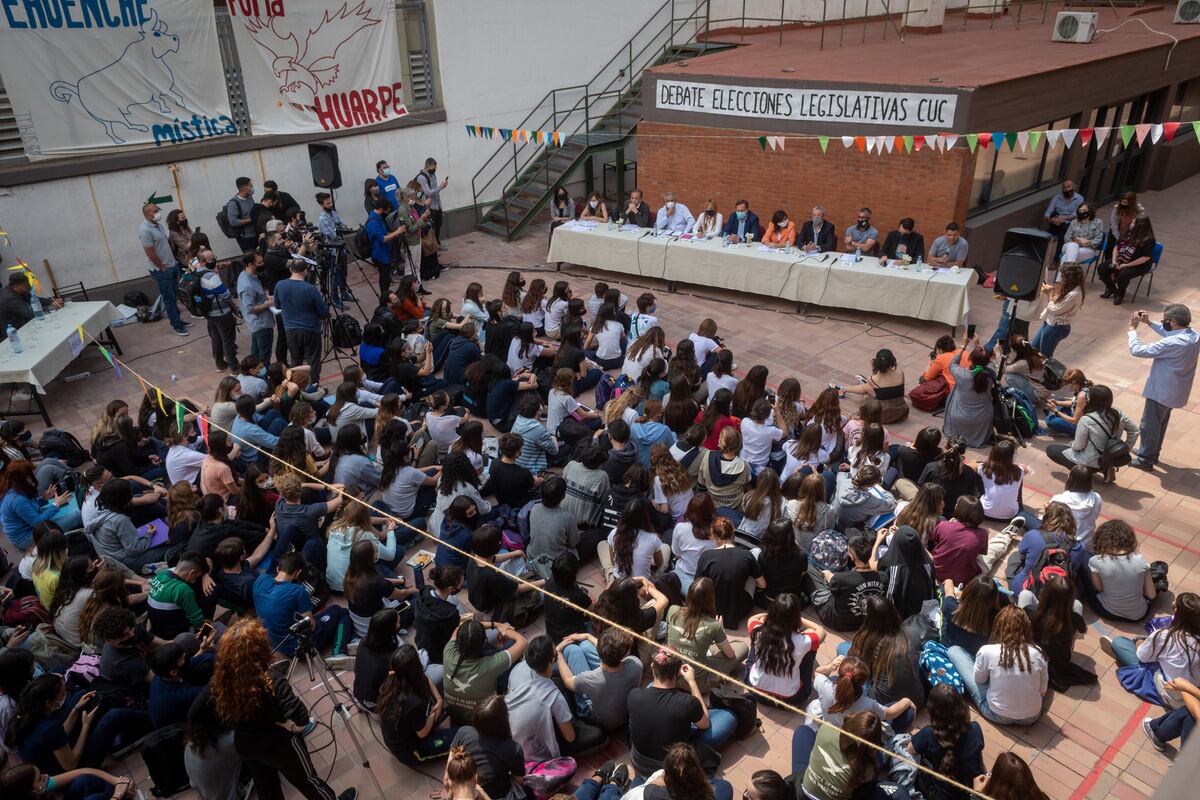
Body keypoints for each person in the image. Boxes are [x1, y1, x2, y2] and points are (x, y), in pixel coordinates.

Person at [210, 619, 357, 800]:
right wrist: (290, 726)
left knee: (268, 791)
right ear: (259, 649)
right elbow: (301, 716)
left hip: (246, 744)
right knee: (309, 782)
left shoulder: (222, 680)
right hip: (279, 744)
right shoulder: (270, 680)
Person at [626, 650, 736, 776]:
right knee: (728, 717)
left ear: (652, 667)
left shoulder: (634, 694)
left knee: (651, 685)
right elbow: (705, 724)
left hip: (638, 760)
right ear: (679, 672)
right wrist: (692, 682)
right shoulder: (688, 703)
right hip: (669, 767)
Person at [507, 636, 605, 759]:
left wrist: (556, 650)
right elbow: (570, 737)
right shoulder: (552, 695)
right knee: (598, 733)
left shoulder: (517, 670)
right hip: (539, 747)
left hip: (516, 736)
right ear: (552, 660)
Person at [948, 605, 1049, 725]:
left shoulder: (987, 650)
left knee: (954, 650)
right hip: (1032, 717)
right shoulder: (1038, 652)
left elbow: (979, 680)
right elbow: (1043, 691)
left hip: (996, 714)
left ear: (998, 626)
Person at [1126, 305, 1198, 469]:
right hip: (1175, 390)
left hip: (1161, 391)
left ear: (1173, 322)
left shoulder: (1173, 342)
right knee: (1160, 423)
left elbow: (1137, 350)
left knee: (1149, 424)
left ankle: (1145, 459)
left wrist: (1132, 329)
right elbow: (1170, 334)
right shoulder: (1192, 335)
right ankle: (1151, 452)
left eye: (1164, 320)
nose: (1162, 322)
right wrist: (1149, 323)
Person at [376, 644, 457, 764]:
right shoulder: (413, 703)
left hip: (399, 737)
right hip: (412, 751)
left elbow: (425, 678)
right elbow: (422, 733)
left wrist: (439, 699)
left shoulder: (392, 681)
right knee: (461, 736)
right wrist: (434, 714)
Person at [906, 684, 986, 800]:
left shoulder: (928, 733)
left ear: (932, 711)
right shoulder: (975, 728)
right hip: (972, 789)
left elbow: (910, 749)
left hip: (941, 795)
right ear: (961, 707)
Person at [666, 577, 749, 687]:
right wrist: (721, 631)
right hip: (696, 682)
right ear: (710, 599)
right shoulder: (713, 625)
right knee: (742, 647)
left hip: (669, 675)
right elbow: (730, 655)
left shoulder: (673, 610)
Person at [1045, 384, 1138, 481]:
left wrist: (1071, 445)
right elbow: (1135, 431)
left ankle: (1081, 473)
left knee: (1051, 450)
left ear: (1092, 401)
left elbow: (1078, 446)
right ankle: (1106, 468)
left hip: (1091, 462)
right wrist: (1122, 451)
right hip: (1109, 458)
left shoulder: (1087, 419)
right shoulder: (1118, 413)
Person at [442, 619, 528, 725]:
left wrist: (495, 625)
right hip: (480, 719)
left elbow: (459, 629)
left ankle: (497, 649)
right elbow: (522, 641)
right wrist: (500, 626)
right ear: (483, 642)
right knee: (511, 640)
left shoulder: (448, 651)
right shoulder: (491, 665)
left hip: (454, 713)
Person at [556, 628, 642, 732]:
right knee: (585, 645)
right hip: (624, 713)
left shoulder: (588, 679)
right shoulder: (636, 664)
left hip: (602, 721)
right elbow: (613, 652)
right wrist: (588, 636)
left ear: (599, 652)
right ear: (625, 653)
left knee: (572, 650)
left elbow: (568, 681)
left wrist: (558, 652)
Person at [746, 593, 824, 705]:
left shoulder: (759, 630)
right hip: (791, 699)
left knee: (756, 635)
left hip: (755, 689)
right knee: (811, 636)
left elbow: (754, 618)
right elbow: (820, 631)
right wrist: (798, 618)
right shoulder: (802, 641)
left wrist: (771, 616)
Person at [794, 711, 888, 800]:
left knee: (802, 731)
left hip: (804, 794)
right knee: (879, 759)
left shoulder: (826, 730)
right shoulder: (867, 768)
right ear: (873, 745)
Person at [450, 697, 527, 800]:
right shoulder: (512, 749)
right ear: (503, 721)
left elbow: (448, 775)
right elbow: (519, 781)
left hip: (464, 792)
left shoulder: (464, 732)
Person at [696, 516, 764, 629]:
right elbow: (762, 584)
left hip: (712, 610)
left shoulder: (706, 556)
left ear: (713, 535)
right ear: (733, 533)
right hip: (739, 610)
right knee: (752, 574)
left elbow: (697, 585)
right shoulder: (747, 555)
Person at [1087, 519, 1158, 622]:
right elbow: (1152, 594)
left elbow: (1100, 589)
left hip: (1108, 612)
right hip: (1139, 615)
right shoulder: (1140, 560)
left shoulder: (1096, 561)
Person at [0, 461, 79, 552]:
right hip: (26, 539)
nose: (32, 476)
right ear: (22, 478)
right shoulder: (17, 500)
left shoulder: (14, 489)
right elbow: (37, 522)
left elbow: (29, 507)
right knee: (76, 515)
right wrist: (56, 504)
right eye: (29, 474)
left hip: (31, 529)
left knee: (69, 509)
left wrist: (43, 499)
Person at [810, 534, 884, 631]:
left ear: (852, 558)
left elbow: (832, 591)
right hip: (863, 622)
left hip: (836, 621)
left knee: (810, 570)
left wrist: (829, 576)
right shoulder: (883, 577)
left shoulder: (841, 579)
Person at [138, 202, 189, 336]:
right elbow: (149, 252)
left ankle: (177, 320)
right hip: (161, 270)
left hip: (172, 265)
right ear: (147, 213)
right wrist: (162, 267)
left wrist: (173, 262)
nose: (157, 212)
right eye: (154, 211)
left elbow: (165, 246)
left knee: (175, 295)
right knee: (169, 298)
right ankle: (176, 325)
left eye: (158, 209)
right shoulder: (145, 230)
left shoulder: (159, 226)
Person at [273, 260, 328, 385]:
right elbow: (323, 312)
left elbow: (277, 305)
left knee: (295, 360)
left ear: (291, 270)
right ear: (305, 271)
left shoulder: (280, 285)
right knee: (313, 361)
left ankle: (296, 386)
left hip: (290, 330)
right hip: (310, 329)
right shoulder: (310, 289)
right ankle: (314, 386)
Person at [944, 339, 994, 448]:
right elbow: (989, 363)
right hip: (982, 421)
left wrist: (964, 344)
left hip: (958, 418)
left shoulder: (961, 374)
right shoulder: (991, 373)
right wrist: (978, 345)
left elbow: (953, 363)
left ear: (970, 360)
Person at [927, 496, 987, 585]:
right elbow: (980, 553)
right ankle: (1006, 536)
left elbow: (933, 539)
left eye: (956, 505)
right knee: (984, 560)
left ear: (960, 510)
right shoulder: (983, 533)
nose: (955, 507)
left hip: (937, 572)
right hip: (964, 579)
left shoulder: (944, 525)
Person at [1100, 215, 1157, 305]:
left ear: (1141, 225)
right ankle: (1112, 289)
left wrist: (1126, 265)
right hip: (1120, 261)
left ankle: (1120, 294)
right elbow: (1116, 246)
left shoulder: (1149, 240)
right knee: (1102, 268)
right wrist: (1114, 261)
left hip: (1138, 265)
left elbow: (1145, 258)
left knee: (1123, 275)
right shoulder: (1127, 233)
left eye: (1134, 222)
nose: (1131, 224)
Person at [1031, 262, 1084, 358]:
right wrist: (1052, 292)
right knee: (1033, 349)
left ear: (1071, 278)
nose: (1061, 278)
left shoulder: (1074, 294)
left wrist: (1049, 294)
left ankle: (1048, 373)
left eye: (1064, 276)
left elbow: (1055, 310)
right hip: (1049, 323)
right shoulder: (1068, 287)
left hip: (1057, 328)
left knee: (1045, 357)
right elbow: (1058, 301)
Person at [842, 348, 907, 424]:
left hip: (883, 416)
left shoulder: (872, 379)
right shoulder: (900, 373)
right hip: (901, 412)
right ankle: (843, 388)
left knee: (867, 391)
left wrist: (874, 368)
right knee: (870, 388)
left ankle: (842, 388)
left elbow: (874, 382)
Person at [236, 252, 275, 367]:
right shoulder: (247, 284)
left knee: (256, 353)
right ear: (250, 264)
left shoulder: (245, 275)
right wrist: (268, 304)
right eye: (259, 263)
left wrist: (265, 298)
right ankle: (263, 379)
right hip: (261, 324)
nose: (262, 264)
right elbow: (250, 308)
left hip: (256, 323)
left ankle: (253, 374)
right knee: (264, 356)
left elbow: (256, 298)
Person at [1050, 464, 1102, 548]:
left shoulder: (1059, 499)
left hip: (1063, 544)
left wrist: (1047, 509)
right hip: (1086, 543)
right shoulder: (1096, 498)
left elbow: (1050, 522)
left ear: (1070, 479)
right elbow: (1094, 517)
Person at [365, 197, 406, 300]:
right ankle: (384, 298)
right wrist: (397, 232)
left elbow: (385, 233)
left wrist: (394, 233)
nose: (388, 213)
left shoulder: (378, 218)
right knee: (384, 278)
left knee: (387, 277)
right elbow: (382, 239)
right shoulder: (373, 222)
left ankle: (387, 295)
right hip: (380, 254)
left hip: (385, 252)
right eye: (387, 211)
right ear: (381, 209)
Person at [416, 156, 448, 244]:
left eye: (435, 168)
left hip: (437, 205)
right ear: (426, 166)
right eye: (432, 168)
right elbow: (428, 193)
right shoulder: (422, 177)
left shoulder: (433, 174)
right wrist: (441, 187)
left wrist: (441, 188)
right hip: (429, 207)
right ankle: (432, 247)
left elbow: (435, 189)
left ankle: (437, 244)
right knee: (431, 228)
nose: (434, 170)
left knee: (438, 225)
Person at [225, 177, 259, 254]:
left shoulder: (249, 197)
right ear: (244, 187)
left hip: (255, 233)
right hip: (246, 238)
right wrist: (251, 219)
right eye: (250, 186)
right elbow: (233, 222)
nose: (252, 188)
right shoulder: (234, 203)